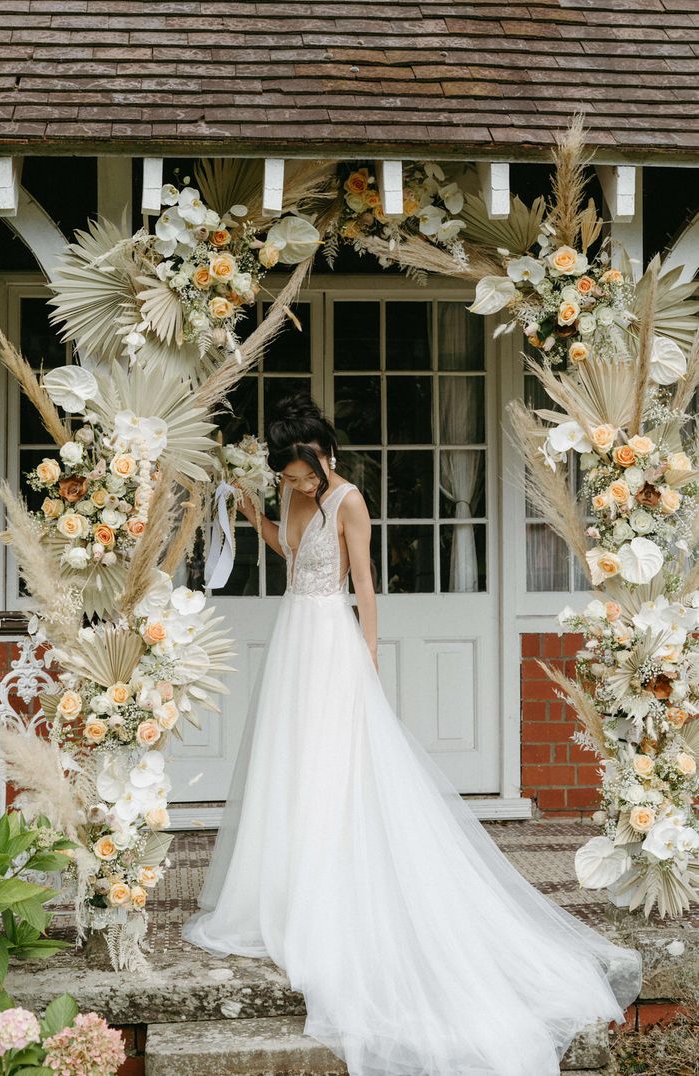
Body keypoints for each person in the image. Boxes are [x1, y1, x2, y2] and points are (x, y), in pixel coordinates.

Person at [182, 392, 642, 1076]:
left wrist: (367, 658)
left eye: (297, 472)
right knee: (291, 764)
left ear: (318, 456)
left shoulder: (349, 501)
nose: (290, 482)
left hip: (332, 641)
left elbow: (362, 582)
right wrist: (253, 515)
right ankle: (283, 888)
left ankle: (333, 887)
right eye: (283, 474)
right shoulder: (293, 493)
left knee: (335, 762)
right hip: (292, 641)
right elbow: (289, 551)